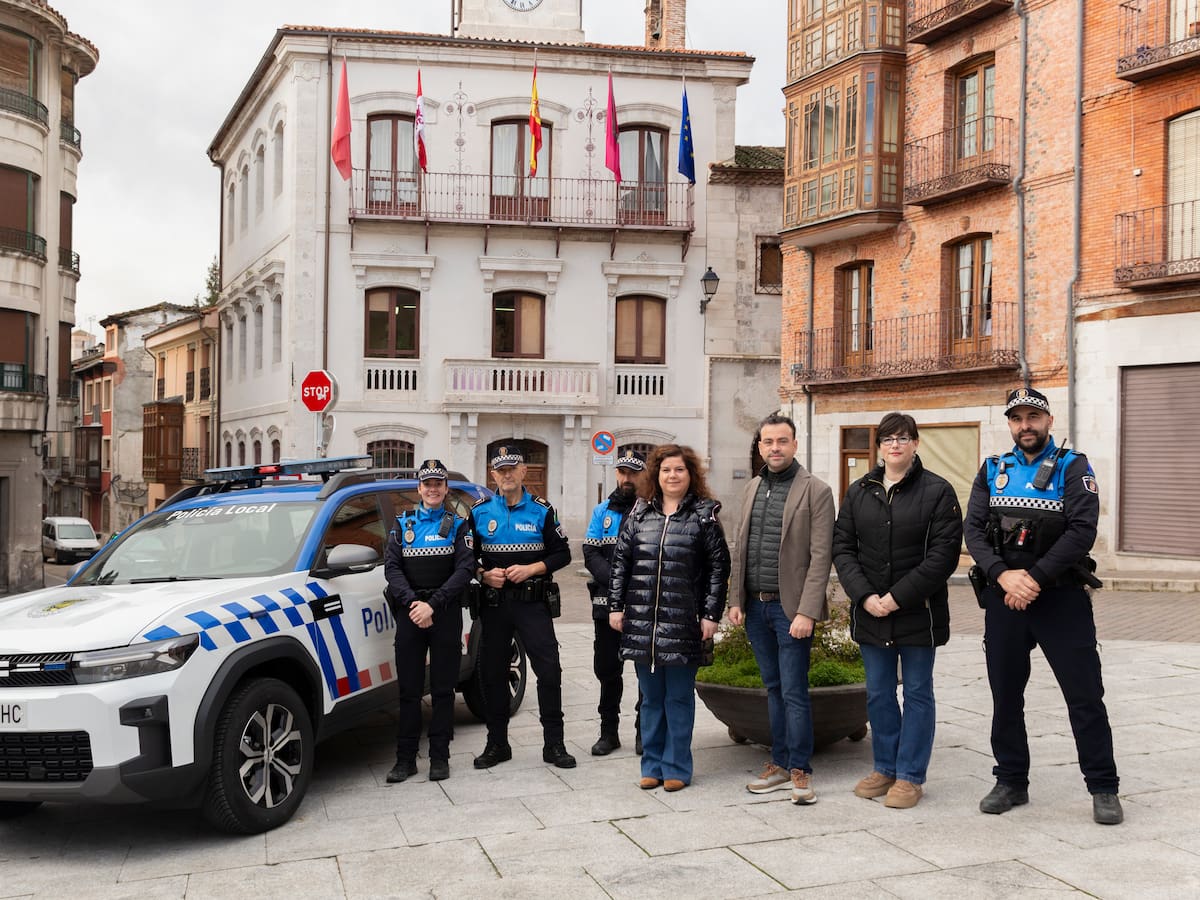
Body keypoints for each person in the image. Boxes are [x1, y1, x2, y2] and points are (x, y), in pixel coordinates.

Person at [964, 388, 1122, 825]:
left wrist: (1032, 578)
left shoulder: (1074, 467)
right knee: (1006, 697)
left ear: (1049, 421)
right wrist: (1002, 575)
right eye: (1017, 418)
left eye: (1033, 417)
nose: (1025, 425)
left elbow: (1081, 531)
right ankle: (1011, 781)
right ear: (1010, 424)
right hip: (1005, 599)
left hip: (1060, 599)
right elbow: (973, 531)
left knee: (1085, 696)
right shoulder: (993, 469)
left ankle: (1103, 786)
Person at [832, 413, 963, 809]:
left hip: (918, 611)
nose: (895, 445)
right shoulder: (860, 491)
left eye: (903, 438)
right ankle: (885, 767)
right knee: (879, 693)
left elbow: (943, 556)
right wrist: (864, 595)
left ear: (916, 444)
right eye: (888, 439)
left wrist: (896, 598)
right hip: (871, 611)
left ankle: (910, 776)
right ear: (879, 447)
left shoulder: (938, 491)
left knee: (918, 693)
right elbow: (843, 547)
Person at [608, 444, 730, 792]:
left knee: (677, 698)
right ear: (656, 475)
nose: (672, 476)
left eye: (679, 469)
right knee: (650, 699)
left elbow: (718, 567)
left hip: (683, 622)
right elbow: (621, 563)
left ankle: (676, 766)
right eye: (666, 470)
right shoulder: (639, 513)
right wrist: (616, 606)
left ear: (690, 475)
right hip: (642, 622)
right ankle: (652, 765)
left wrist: (711, 613)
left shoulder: (703, 515)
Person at [727, 414, 834, 805]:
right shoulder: (752, 488)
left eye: (782, 441)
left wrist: (807, 611)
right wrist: (735, 600)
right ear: (760, 447)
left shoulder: (816, 490)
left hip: (791, 610)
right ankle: (780, 762)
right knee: (773, 688)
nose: (775, 448)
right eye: (768, 442)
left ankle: (801, 770)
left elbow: (821, 557)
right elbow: (741, 547)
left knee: (794, 691)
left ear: (794, 444)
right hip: (755, 608)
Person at [470, 446, 576, 770]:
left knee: (549, 671)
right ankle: (497, 744)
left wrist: (532, 569)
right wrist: (483, 574)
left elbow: (563, 554)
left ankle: (554, 745)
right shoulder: (479, 512)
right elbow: (465, 558)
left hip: (533, 604)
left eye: (511, 468)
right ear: (493, 475)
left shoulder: (542, 511)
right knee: (493, 674)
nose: (506, 474)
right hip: (495, 605)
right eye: (500, 469)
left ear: (523, 471)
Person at [382, 459, 475, 783]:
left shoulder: (458, 525)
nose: (433, 489)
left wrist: (432, 606)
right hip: (411, 614)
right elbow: (392, 568)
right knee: (408, 690)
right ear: (419, 488)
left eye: (438, 484)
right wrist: (413, 604)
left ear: (446, 488)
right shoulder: (402, 523)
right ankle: (405, 760)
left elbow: (464, 569)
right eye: (427, 484)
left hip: (444, 613)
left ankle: (439, 757)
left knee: (443, 690)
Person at [582, 451, 646, 756]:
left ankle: (644, 730)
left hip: (642, 603)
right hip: (606, 603)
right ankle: (609, 732)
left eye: (633, 473)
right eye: (622, 472)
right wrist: (617, 583)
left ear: (643, 476)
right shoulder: (601, 511)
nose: (627, 478)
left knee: (646, 670)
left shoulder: (651, 509)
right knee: (607, 669)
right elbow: (590, 552)